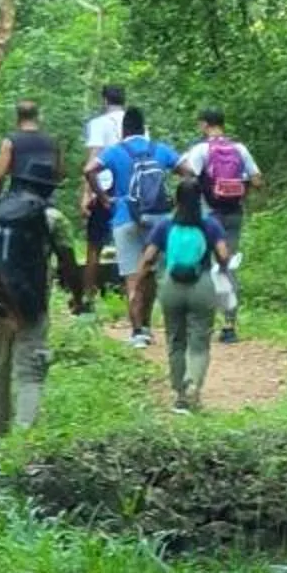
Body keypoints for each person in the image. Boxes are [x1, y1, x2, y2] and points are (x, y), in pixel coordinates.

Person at [0, 169, 78, 435]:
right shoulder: (53, 218)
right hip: (31, 302)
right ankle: (25, 439)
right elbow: (68, 261)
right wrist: (77, 295)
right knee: (30, 373)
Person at [140, 175, 233, 413]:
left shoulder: (165, 224)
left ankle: (180, 395)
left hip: (171, 285)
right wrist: (222, 268)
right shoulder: (209, 224)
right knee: (199, 341)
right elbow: (223, 255)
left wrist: (139, 283)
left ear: (176, 199)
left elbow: (149, 257)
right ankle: (193, 384)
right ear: (200, 198)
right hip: (201, 284)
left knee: (175, 341)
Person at [89, 106, 180, 347]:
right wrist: (179, 204)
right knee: (153, 274)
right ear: (143, 128)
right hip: (159, 220)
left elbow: (88, 169)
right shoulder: (159, 149)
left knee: (132, 276)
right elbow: (189, 171)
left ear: (123, 129)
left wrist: (103, 197)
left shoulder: (115, 151)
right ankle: (154, 326)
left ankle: (138, 332)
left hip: (125, 218)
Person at [180, 109, 262, 342]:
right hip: (234, 213)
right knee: (228, 267)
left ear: (204, 125)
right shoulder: (240, 149)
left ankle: (201, 325)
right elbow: (257, 180)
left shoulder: (201, 150)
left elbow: (188, 180)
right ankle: (229, 326)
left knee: (204, 267)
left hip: (209, 215)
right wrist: (238, 188)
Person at [81, 83, 127, 296]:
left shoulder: (98, 124)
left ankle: (89, 295)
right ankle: (130, 293)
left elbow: (93, 157)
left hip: (103, 186)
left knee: (94, 245)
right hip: (129, 188)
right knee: (130, 243)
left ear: (105, 100)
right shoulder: (136, 123)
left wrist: (86, 193)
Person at [0, 100, 64, 198]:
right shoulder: (53, 141)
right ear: (37, 117)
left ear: (17, 117)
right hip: (46, 198)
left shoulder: (10, 141)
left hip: (19, 198)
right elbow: (59, 173)